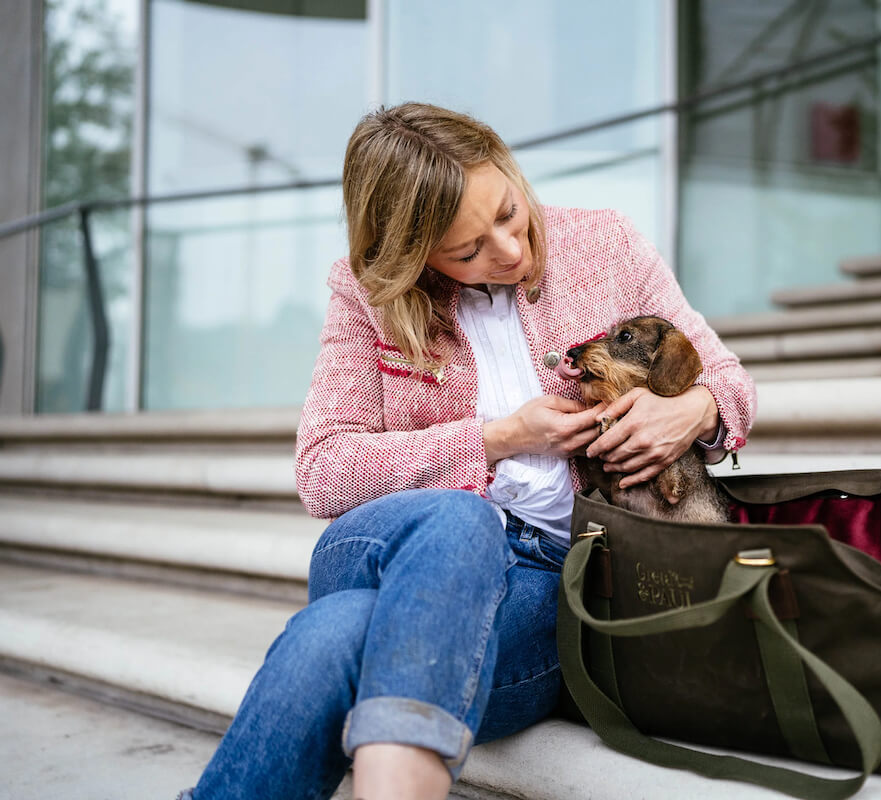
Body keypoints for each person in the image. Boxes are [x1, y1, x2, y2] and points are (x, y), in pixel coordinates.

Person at [180, 103, 755, 800]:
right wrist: (499, 439)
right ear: (415, 256)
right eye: (468, 249)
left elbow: (727, 382)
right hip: (394, 546)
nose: (509, 251)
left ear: (510, 170)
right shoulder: (366, 295)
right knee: (462, 520)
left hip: (549, 579)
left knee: (339, 637)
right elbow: (324, 470)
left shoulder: (606, 243)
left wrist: (690, 411)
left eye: (509, 213)